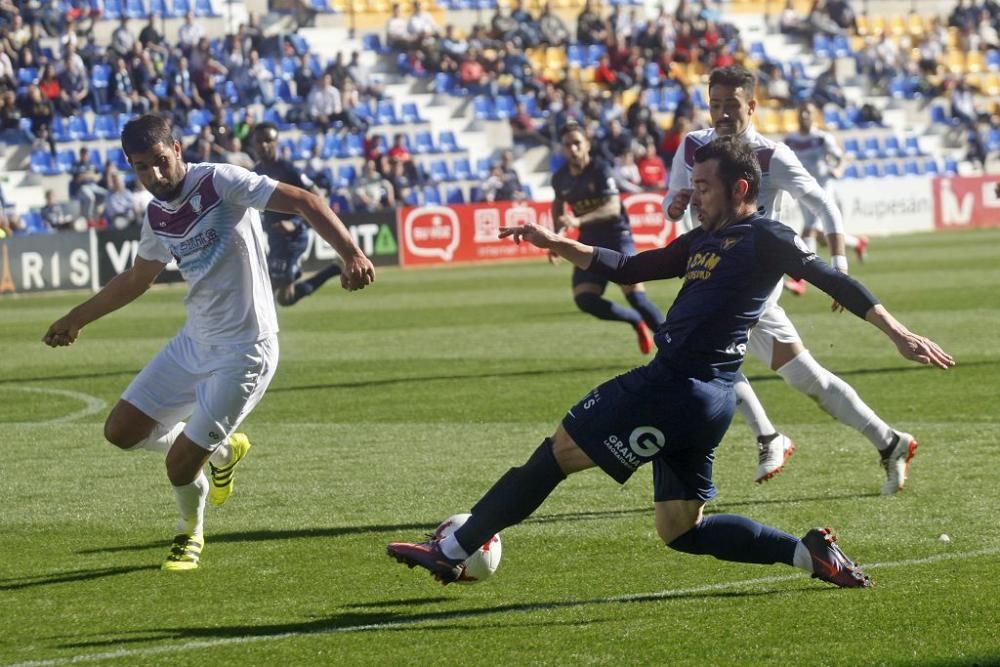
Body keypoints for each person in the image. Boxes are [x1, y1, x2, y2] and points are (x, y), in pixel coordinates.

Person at [387, 136, 954, 587]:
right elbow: (630, 268)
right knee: (681, 530)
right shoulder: (702, 241)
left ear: (738, 187)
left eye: (703, 186)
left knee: (557, 453)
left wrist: (899, 333)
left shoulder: (765, 236)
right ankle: (808, 556)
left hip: (674, 386)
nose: (694, 196)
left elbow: (834, 278)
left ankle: (454, 549)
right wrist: (555, 242)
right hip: (703, 402)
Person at [42, 114, 376, 572]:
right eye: (141, 167)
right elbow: (140, 277)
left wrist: (351, 254)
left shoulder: (220, 182)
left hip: (246, 349)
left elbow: (302, 200)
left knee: (179, 466)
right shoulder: (156, 213)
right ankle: (222, 451)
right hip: (194, 342)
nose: (153, 175)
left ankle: (189, 534)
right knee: (120, 432)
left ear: (177, 148)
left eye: (159, 161)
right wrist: (75, 318)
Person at [664, 66, 916, 493]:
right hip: (710, 275)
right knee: (808, 379)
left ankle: (768, 437)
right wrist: (677, 205)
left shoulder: (770, 156)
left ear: (752, 106)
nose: (722, 113)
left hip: (751, 282)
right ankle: (889, 441)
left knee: (694, 355)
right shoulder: (692, 146)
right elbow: (671, 201)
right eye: (715, 104)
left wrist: (839, 261)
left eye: (732, 105)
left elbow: (822, 203)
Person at [551, 123, 663, 354]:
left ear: (587, 145)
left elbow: (612, 208)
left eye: (577, 143)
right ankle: (635, 321)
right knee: (585, 299)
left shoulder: (600, 169)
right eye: (568, 144)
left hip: (616, 237)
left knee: (637, 298)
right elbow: (558, 203)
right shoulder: (561, 177)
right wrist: (555, 239)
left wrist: (579, 221)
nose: (572, 148)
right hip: (589, 241)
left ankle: (678, 347)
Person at [250, 122, 346, 307]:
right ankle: (334, 268)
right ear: (253, 143)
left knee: (264, 290)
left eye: (268, 140)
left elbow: (316, 200)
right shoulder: (256, 172)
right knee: (284, 298)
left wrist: (294, 222)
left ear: (276, 142)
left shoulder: (288, 170)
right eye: (259, 141)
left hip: (292, 238)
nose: (264, 145)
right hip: (275, 238)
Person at [782, 101, 867, 295]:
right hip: (802, 189)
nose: (804, 115)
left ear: (814, 115)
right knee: (821, 237)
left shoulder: (822, 138)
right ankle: (858, 243)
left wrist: (838, 169)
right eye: (801, 111)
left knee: (809, 230)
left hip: (823, 187)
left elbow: (840, 156)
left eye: (808, 112)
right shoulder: (790, 140)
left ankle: (800, 281)